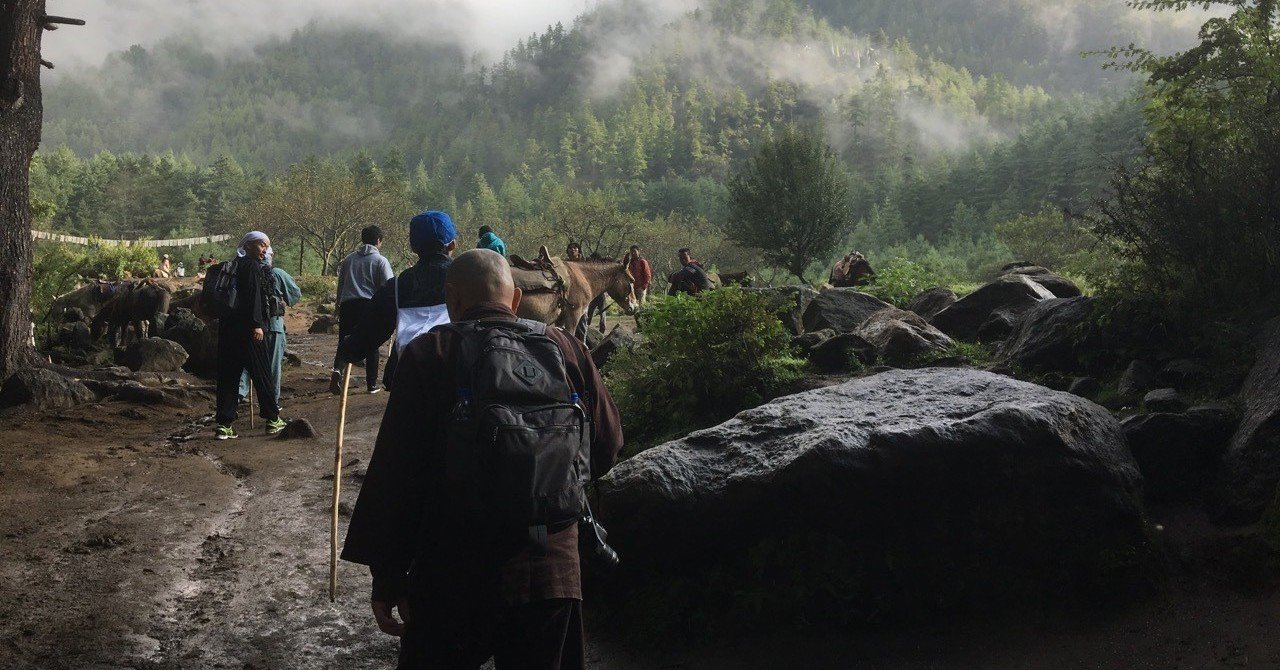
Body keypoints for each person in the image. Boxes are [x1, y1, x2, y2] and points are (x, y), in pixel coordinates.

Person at [341, 248, 623, 670]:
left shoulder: (429, 354)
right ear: (515, 300)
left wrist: (387, 576)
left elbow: (396, 476)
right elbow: (608, 444)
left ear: (452, 300)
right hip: (550, 569)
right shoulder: (564, 347)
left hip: (451, 571)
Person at [336, 211, 457, 390]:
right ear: (453, 244)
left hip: (409, 376)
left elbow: (365, 338)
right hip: (457, 375)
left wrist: (349, 348)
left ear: (413, 247)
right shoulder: (466, 279)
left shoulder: (399, 286)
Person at [214, 231, 288, 439]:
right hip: (249, 332)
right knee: (262, 373)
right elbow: (254, 298)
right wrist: (257, 325)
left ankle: (224, 424)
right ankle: (273, 419)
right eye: (261, 245)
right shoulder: (253, 267)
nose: (264, 249)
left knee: (228, 376)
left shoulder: (232, 265)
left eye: (266, 246)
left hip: (228, 331)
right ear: (247, 246)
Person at [331, 226, 395, 394]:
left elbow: (341, 284)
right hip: (369, 305)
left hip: (348, 304)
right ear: (379, 241)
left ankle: (337, 370)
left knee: (344, 340)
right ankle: (371, 384)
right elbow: (388, 287)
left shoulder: (349, 259)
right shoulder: (381, 261)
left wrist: (338, 307)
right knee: (371, 342)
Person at [239, 259, 302, 408]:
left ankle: (238, 394)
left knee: (248, 365)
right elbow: (295, 295)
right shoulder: (278, 273)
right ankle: (272, 405)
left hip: (249, 327)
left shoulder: (243, 272)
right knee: (272, 367)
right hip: (274, 327)